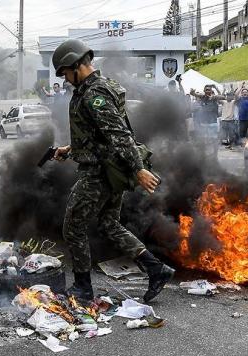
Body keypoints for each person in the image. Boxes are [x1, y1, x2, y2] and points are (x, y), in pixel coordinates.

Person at [50, 39, 174, 304]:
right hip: (107, 168)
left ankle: (83, 288)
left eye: (64, 73)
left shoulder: (94, 94)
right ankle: (156, 269)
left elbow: (118, 134)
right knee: (108, 224)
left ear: (75, 65)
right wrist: (69, 149)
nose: (65, 79)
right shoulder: (93, 89)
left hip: (99, 172)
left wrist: (138, 169)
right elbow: (96, 136)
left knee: (73, 227)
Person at [190, 84, 226, 159]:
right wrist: (192, 92)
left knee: (214, 140)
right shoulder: (203, 97)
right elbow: (194, 94)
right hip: (204, 123)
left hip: (213, 123)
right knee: (204, 140)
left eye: (209, 90)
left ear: (211, 91)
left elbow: (223, 97)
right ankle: (205, 156)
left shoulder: (214, 98)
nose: (207, 91)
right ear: (204, 91)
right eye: (206, 90)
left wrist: (215, 88)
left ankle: (215, 155)